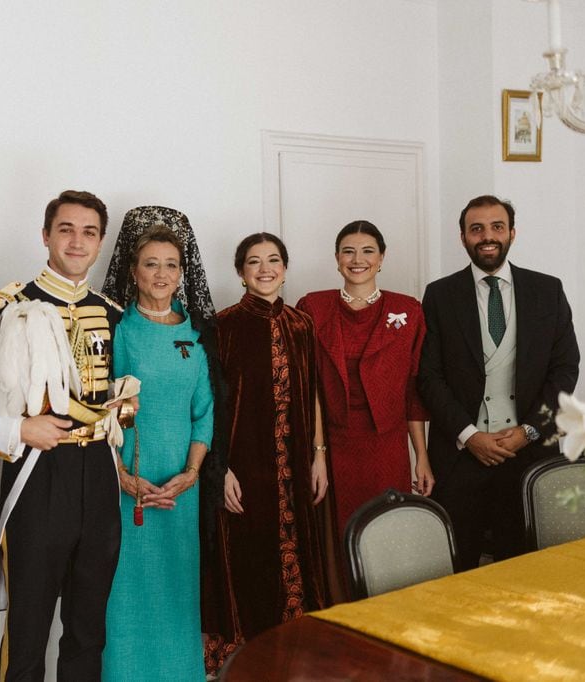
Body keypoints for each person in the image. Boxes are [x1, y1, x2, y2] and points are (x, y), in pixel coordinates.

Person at [0, 190, 132, 681]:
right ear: (46, 235)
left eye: (89, 232)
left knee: (88, 629)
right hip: (37, 478)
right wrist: (20, 429)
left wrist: (123, 407)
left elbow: (110, 394)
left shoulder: (111, 312)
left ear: (100, 242)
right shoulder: (7, 307)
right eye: (66, 229)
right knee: (29, 629)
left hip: (99, 478)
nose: (77, 241)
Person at [417, 195, 580, 571]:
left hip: (529, 456)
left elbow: (565, 370)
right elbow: (428, 376)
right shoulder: (439, 295)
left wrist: (528, 431)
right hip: (460, 457)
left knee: (525, 567)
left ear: (512, 233)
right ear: (463, 237)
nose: (487, 236)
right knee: (455, 569)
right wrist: (470, 434)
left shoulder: (548, 290)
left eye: (496, 227)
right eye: (476, 229)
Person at [202, 232, 331, 674]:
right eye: (254, 261)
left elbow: (314, 393)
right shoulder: (222, 326)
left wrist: (319, 455)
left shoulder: (302, 324)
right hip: (243, 465)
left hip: (295, 462)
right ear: (240, 272)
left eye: (273, 260)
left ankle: (291, 654)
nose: (265, 269)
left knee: (295, 553)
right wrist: (220, 469)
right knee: (247, 559)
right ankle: (246, 661)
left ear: (285, 268)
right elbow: (209, 404)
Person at [101, 224, 216, 681]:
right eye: (151, 264)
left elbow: (203, 413)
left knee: (178, 592)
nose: (162, 274)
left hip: (181, 491)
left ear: (182, 273)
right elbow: (108, 411)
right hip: (129, 488)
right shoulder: (119, 332)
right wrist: (121, 475)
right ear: (133, 271)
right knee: (125, 593)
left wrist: (191, 473)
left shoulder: (195, 334)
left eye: (171, 265)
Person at [297, 220, 432, 537]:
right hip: (332, 443)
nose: (358, 259)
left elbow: (413, 391)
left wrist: (421, 457)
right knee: (338, 534)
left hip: (387, 446)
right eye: (348, 251)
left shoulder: (408, 309)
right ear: (337, 258)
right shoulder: (313, 307)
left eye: (368, 251)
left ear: (382, 258)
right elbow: (308, 388)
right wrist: (318, 453)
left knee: (388, 533)